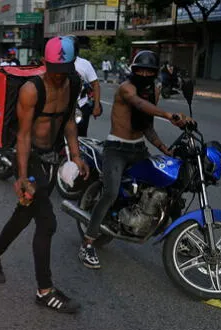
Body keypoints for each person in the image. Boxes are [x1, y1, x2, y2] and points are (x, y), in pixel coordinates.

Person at [0, 36, 88, 314]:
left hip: (52, 158)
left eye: (64, 72)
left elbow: (67, 122)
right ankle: (45, 291)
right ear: (44, 63)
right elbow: (24, 135)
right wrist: (21, 176)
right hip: (29, 158)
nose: (58, 78)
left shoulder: (73, 83)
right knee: (47, 223)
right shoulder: (32, 89)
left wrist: (76, 156)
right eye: (54, 72)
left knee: (24, 214)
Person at [78, 50, 191, 269]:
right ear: (133, 70)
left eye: (149, 71)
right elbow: (138, 104)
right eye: (141, 70)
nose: (145, 74)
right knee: (110, 192)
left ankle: (178, 237)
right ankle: (88, 243)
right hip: (116, 149)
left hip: (138, 149)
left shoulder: (153, 92)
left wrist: (163, 148)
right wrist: (169, 115)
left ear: (154, 73)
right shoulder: (126, 88)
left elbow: (146, 125)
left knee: (170, 186)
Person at [68, 35, 101, 137]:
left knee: (81, 137)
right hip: (62, 106)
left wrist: (96, 106)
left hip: (81, 106)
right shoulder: (59, 62)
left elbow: (95, 84)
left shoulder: (84, 64)